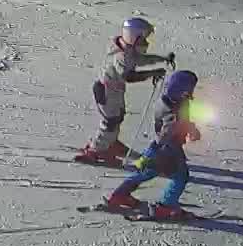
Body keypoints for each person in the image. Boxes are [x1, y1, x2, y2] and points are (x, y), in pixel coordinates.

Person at [75, 16, 175, 165]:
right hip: (108, 91)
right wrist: (152, 73)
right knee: (110, 121)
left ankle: (110, 143)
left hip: (114, 90)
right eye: (143, 38)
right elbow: (129, 76)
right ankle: (96, 150)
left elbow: (139, 59)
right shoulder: (121, 56)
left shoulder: (126, 49)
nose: (146, 42)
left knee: (117, 117)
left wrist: (161, 59)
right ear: (134, 37)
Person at [106, 69, 203, 220]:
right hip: (168, 148)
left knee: (148, 172)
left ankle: (119, 195)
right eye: (188, 89)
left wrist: (190, 128)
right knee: (180, 176)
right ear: (179, 89)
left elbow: (182, 119)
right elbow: (166, 134)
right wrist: (150, 153)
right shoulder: (172, 112)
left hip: (165, 145)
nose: (190, 92)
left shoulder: (173, 100)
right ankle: (165, 207)